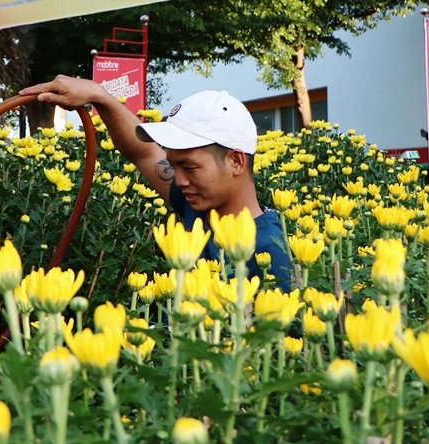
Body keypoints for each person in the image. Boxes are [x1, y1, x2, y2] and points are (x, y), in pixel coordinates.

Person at [20, 77, 292, 290]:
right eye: (173, 166)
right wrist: (98, 95)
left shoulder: (271, 251)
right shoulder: (197, 207)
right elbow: (145, 152)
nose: (180, 180)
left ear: (236, 161)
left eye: (190, 167)